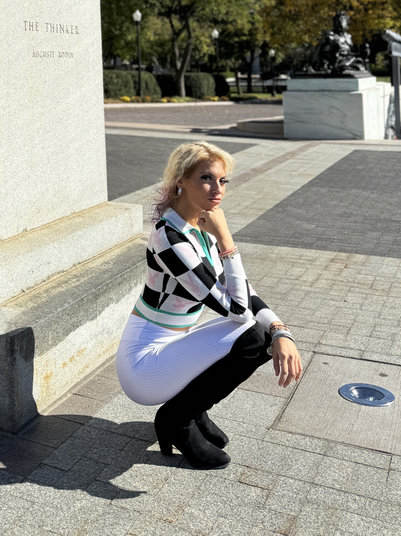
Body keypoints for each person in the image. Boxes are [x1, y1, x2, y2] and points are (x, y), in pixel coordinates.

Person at [116, 141, 302, 470]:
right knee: (251, 339)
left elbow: (242, 289)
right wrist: (227, 241)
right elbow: (235, 309)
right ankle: (177, 419)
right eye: (206, 178)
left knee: (262, 336)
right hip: (143, 366)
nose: (217, 189)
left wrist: (280, 330)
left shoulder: (199, 231)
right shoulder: (169, 238)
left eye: (223, 180)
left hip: (173, 347)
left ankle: (192, 404)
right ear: (180, 181)